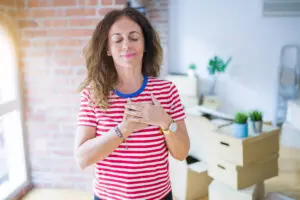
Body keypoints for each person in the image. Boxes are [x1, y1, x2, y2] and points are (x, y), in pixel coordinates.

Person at [74, 7, 190, 200]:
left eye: (134, 38)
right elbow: (82, 159)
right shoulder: (93, 94)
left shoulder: (167, 91)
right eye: (117, 40)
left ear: (145, 45)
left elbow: (182, 153)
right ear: (108, 50)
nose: (126, 45)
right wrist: (123, 129)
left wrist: (165, 121)